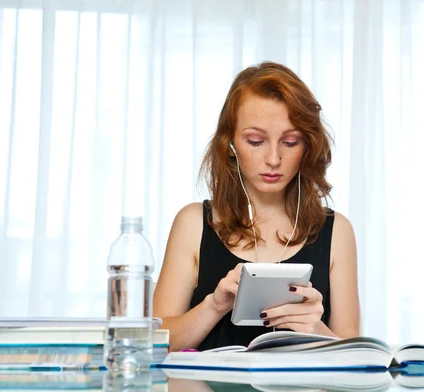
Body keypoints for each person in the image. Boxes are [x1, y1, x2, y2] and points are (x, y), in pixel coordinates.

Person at [153, 61, 360, 352]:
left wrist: (316, 329)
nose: (273, 159)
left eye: (290, 142)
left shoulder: (337, 230)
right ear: (230, 144)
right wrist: (215, 305)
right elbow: (154, 345)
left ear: (308, 146)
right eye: (255, 141)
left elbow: (355, 356)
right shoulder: (192, 223)